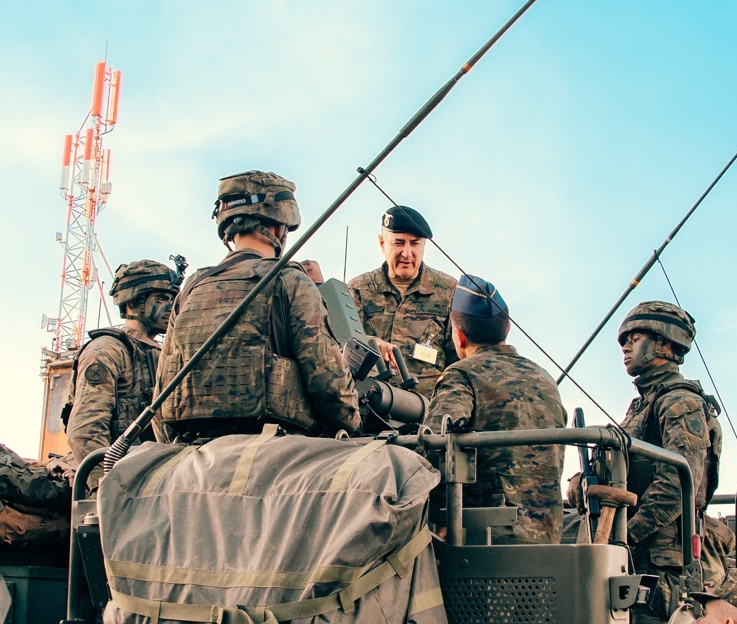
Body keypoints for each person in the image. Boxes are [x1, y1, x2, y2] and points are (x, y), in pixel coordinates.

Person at [154, 170, 359, 441]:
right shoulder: (290, 281)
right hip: (276, 456)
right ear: (279, 228)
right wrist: (356, 423)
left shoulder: (192, 286)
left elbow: (162, 393)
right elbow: (328, 382)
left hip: (193, 454)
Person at [616, 301, 723, 624]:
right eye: (624, 340)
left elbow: (679, 484)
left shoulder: (678, 402)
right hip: (641, 556)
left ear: (665, 345)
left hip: (663, 563)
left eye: (635, 337)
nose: (626, 346)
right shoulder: (644, 404)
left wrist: (626, 535)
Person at [425, 274, 566, 544]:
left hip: (484, 545)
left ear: (460, 336)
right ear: (508, 328)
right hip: (548, 541)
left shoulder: (461, 374)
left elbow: (434, 448)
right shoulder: (545, 379)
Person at [65, 259, 177, 485]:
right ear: (132, 303)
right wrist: (106, 490)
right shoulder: (108, 349)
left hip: (155, 478)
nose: (171, 308)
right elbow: (85, 431)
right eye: (161, 299)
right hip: (123, 482)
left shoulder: (161, 353)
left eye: (173, 300)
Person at [347, 205, 457, 400]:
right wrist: (371, 344)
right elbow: (341, 347)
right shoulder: (358, 289)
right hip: (369, 409)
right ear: (382, 243)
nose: (407, 253)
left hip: (429, 416)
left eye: (414, 244)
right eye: (399, 243)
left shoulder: (448, 291)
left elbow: (459, 362)